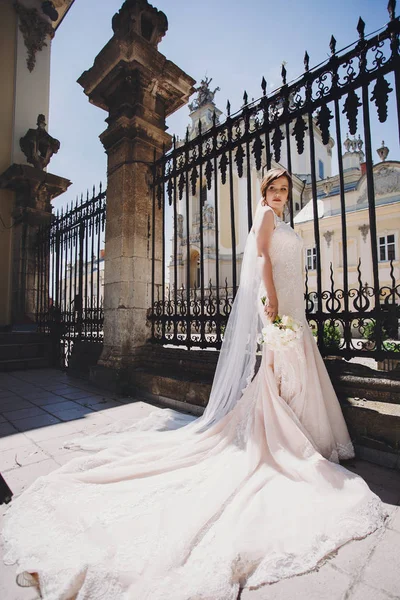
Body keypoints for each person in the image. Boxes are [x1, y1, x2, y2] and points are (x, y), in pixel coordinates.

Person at [2, 168, 386, 600]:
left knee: (287, 372)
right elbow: (260, 257)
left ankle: (296, 434)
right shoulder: (263, 216)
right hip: (278, 302)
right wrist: (272, 300)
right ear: (265, 192)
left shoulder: (281, 220)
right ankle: (286, 438)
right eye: (274, 189)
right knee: (281, 372)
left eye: (284, 190)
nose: (279, 195)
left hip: (292, 300)